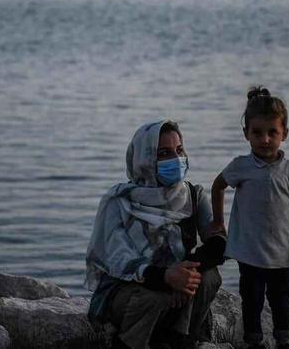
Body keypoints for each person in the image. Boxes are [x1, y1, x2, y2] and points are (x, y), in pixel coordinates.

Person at [85, 120, 226, 349]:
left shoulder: (193, 195)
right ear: (144, 159)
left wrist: (185, 274)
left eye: (179, 150)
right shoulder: (119, 202)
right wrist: (165, 278)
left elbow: (219, 242)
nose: (175, 159)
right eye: (163, 153)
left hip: (179, 290)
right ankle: (128, 343)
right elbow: (119, 260)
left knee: (209, 277)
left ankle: (180, 338)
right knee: (156, 294)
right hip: (127, 292)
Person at [208, 87, 289, 349]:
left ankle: (283, 340)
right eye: (257, 133)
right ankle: (254, 341)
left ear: (284, 133)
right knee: (251, 299)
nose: (265, 139)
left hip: (281, 252)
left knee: (281, 298)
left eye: (272, 132)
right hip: (250, 252)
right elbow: (217, 186)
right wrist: (219, 221)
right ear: (246, 134)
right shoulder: (241, 166)